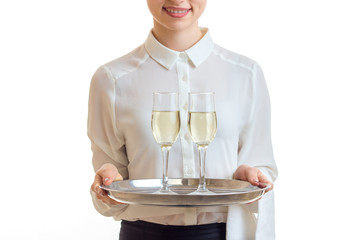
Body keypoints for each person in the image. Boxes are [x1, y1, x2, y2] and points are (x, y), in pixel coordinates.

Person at [88, 0, 278, 239]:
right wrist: (108, 185)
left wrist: (249, 178)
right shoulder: (111, 80)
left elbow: (264, 171)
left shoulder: (246, 74)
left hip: (224, 233)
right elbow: (107, 196)